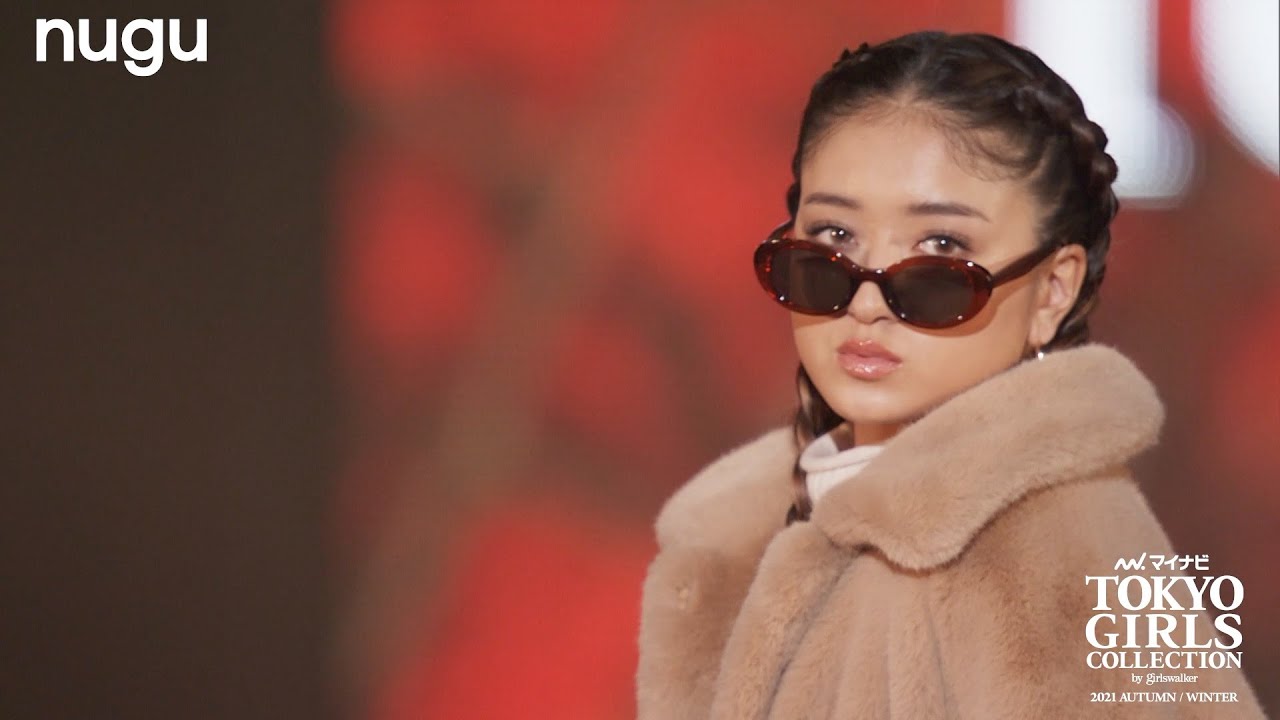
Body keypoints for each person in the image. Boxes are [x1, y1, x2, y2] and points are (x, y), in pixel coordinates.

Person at [635, 31, 1267, 719]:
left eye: (940, 251)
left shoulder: (1080, 558)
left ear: (1053, 291)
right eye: (834, 240)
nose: (866, 300)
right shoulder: (726, 534)